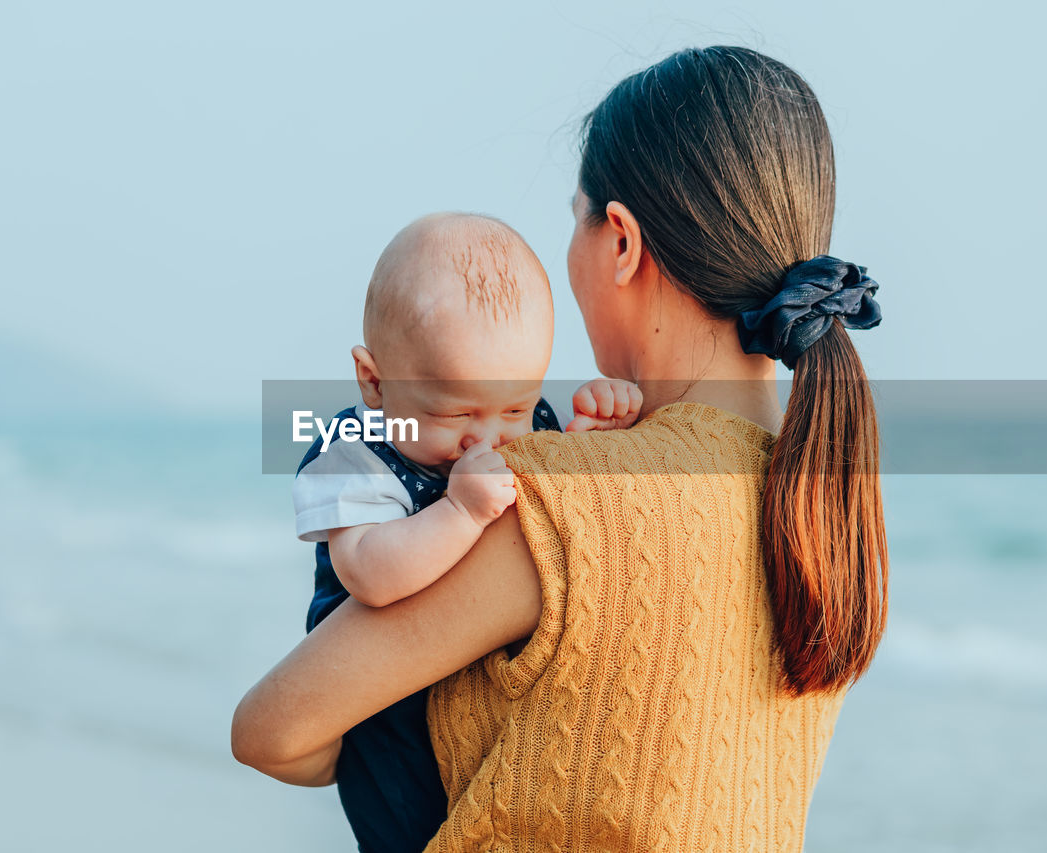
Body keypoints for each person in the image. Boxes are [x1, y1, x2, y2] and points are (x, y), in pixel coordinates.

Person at [234, 44, 888, 852]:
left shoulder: (557, 498)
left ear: (620, 240)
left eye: (574, 219)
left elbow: (271, 730)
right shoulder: (820, 505)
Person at [292, 212, 642, 852]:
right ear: (375, 382)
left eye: (513, 407)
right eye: (454, 413)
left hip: (480, 686)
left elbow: (550, 498)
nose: (487, 438)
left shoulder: (523, 424)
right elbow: (369, 572)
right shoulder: (355, 454)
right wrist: (459, 512)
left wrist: (589, 441)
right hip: (387, 712)